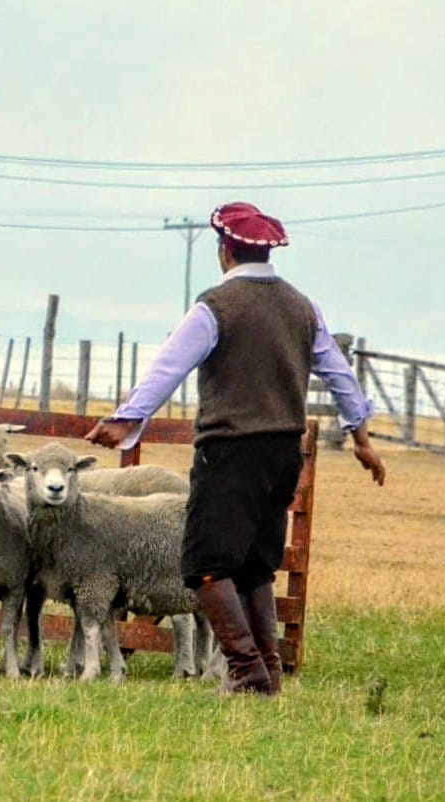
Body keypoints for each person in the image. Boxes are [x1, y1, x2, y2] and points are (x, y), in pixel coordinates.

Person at [85, 201, 386, 696]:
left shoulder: (216, 307)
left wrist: (127, 418)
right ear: (267, 253)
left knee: (206, 564)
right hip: (285, 452)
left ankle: (245, 670)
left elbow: (169, 366)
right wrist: (361, 437)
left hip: (230, 452)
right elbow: (339, 373)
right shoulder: (301, 307)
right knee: (255, 565)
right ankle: (267, 668)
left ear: (225, 252)